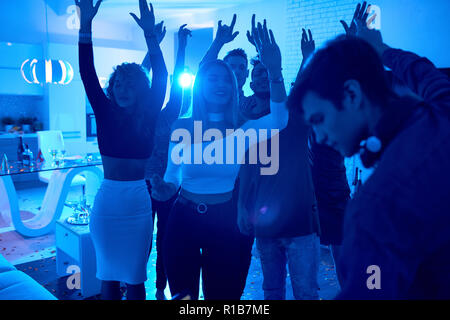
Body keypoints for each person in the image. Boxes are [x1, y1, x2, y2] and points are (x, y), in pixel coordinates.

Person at [288, 1, 450, 299]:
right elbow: (426, 75)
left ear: (351, 93)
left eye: (319, 120)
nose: (320, 137)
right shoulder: (443, 111)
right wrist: (380, 49)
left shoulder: (376, 206)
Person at [151, 19, 289, 300]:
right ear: (200, 85)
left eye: (226, 79)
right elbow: (172, 177)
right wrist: (165, 189)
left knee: (223, 297)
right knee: (184, 299)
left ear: (235, 87)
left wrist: (275, 72)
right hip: (183, 219)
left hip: (226, 220)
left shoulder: (244, 129)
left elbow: (280, 119)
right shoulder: (182, 127)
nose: (221, 83)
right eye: (212, 78)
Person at [77, 0, 167, 300]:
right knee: (108, 277)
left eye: (130, 85)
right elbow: (88, 73)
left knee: (136, 277)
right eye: (118, 85)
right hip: (108, 204)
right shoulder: (104, 111)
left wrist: (151, 37)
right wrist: (86, 24)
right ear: (112, 88)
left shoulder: (150, 112)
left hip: (138, 204)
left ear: (140, 89)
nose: (123, 90)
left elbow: (163, 78)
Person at [238, 28, 320, 300]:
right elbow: (248, 169)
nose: (262, 76)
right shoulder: (248, 123)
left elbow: (302, 86)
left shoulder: (294, 112)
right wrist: (242, 206)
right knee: (271, 291)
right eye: (256, 73)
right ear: (250, 84)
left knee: (305, 292)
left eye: (266, 72)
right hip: (265, 224)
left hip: (300, 222)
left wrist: (305, 59)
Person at [144, 24, 191, 301]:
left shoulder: (170, 114)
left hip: (169, 188)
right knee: (143, 239)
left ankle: (161, 287)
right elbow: (141, 76)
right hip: (141, 185)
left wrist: (181, 48)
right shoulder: (140, 116)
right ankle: (138, 282)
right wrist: (152, 46)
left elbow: (176, 87)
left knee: (165, 239)